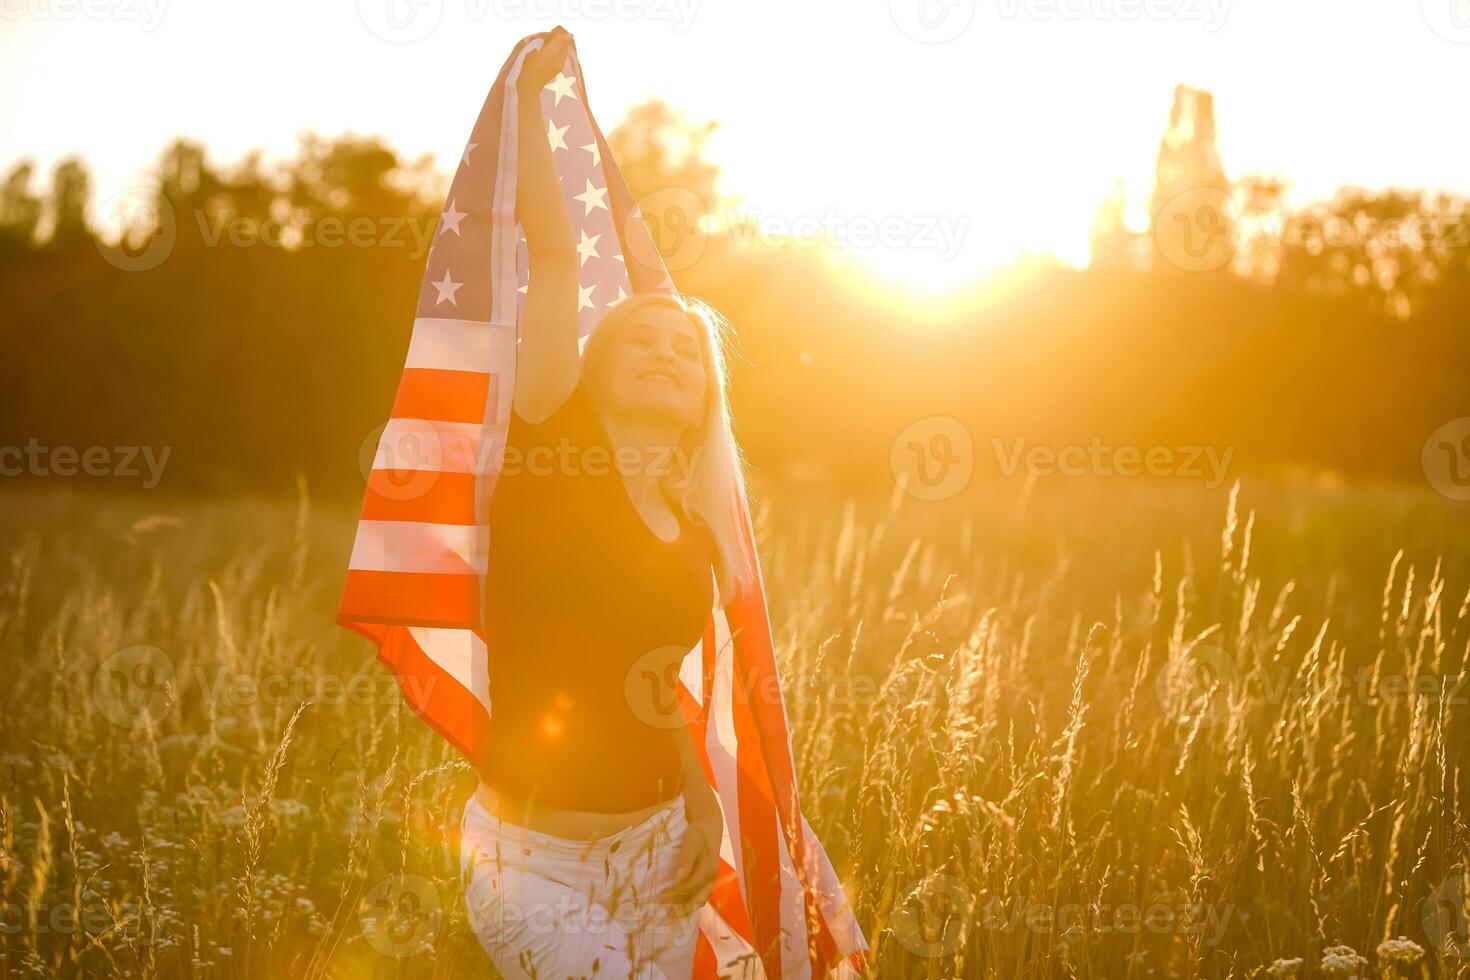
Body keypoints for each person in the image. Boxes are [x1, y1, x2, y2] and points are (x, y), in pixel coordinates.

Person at [458, 27, 755, 979]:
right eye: (642, 340)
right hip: (533, 861)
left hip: (660, 846)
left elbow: (661, 676)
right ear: (592, 372)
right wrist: (535, 103)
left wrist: (703, 812)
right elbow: (554, 255)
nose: (668, 353)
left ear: (708, 396)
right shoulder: (550, 458)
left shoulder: (696, 532)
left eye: (686, 352)